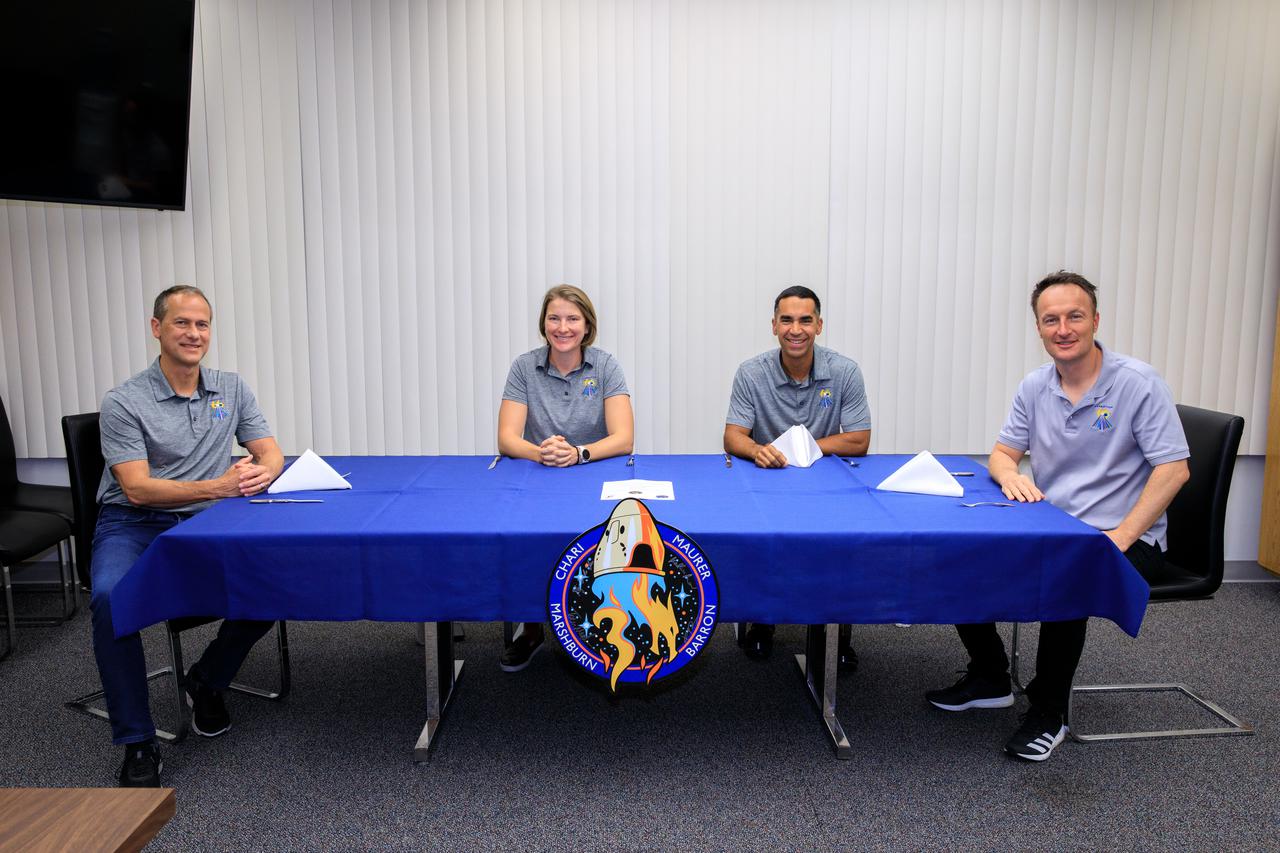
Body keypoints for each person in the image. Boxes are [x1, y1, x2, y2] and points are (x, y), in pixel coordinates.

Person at [925, 271, 1190, 762]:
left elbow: (1174, 470)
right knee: (960, 554)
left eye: (1074, 316)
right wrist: (1009, 476)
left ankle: (1050, 712)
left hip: (1123, 537)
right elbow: (1003, 453)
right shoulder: (1036, 386)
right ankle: (990, 675)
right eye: (1051, 320)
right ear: (1039, 328)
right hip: (1052, 525)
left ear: (1095, 320)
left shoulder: (1137, 383)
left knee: (1071, 572)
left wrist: (1119, 537)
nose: (1063, 328)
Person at [91, 285, 285, 787]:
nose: (193, 334)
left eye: (202, 324)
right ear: (157, 329)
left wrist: (264, 471)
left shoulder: (230, 387)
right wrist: (221, 485)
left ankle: (205, 681)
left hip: (208, 520)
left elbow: (270, 450)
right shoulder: (123, 402)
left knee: (275, 583)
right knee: (112, 600)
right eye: (182, 323)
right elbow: (135, 490)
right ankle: (138, 743)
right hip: (136, 521)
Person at [723, 286, 871, 664]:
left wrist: (807, 449)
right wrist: (758, 450)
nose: (796, 329)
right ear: (773, 326)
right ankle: (762, 621)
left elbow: (859, 440)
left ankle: (833, 631)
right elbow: (733, 436)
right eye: (786, 320)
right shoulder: (751, 372)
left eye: (805, 320)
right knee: (763, 540)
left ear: (819, 325)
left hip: (825, 480)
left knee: (838, 544)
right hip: (767, 478)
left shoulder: (844, 371)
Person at [497, 285, 634, 671]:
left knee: (598, 546)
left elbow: (623, 438)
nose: (563, 327)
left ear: (587, 325)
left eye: (572, 318)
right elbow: (508, 438)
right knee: (528, 543)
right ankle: (533, 630)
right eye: (554, 318)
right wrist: (544, 452)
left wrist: (578, 454)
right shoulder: (525, 366)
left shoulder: (606, 366)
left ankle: (600, 627)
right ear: (544, 324)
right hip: (539, 473)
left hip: (593, 473)